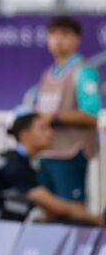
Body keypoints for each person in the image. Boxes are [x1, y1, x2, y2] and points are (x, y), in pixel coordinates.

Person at [0, 111, 103, 226]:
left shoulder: (18, 160)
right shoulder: (14, 166)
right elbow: (54, 205)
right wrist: (95, 219)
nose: (50, 133)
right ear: (25, 135)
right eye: (43, 129)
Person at [34, 16, 101, 203]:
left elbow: (91, 115)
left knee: (72, 212)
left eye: (64, 34)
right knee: (50, 212)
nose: (58, 40)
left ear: (76, 39)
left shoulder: (83, 71)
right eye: (53, 34)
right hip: (46, 153)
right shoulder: (48, 73)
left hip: (70, 153)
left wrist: (54, 117)